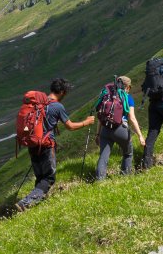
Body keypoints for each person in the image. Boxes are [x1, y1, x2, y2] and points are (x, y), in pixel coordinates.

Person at [15, 78, 95, 211]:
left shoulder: (38, 104)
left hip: (32, 144)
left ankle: (36, 204)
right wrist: (86, 122)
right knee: (49, 178)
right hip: (46, 145)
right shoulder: (57, 106)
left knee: (40, 176)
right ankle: (25, 203)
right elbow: (70, 126)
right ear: (62, 92)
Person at [94, 76, 145, 180]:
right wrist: (140, 136)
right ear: (128, 87)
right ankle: (125, 177)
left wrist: (98, 134)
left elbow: (100, 117)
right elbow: (132, 118)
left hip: (105, 129)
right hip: (120, 129)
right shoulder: (127, 97)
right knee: (128, 153)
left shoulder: (107, 96)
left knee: (103, 156)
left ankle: (99, 181)